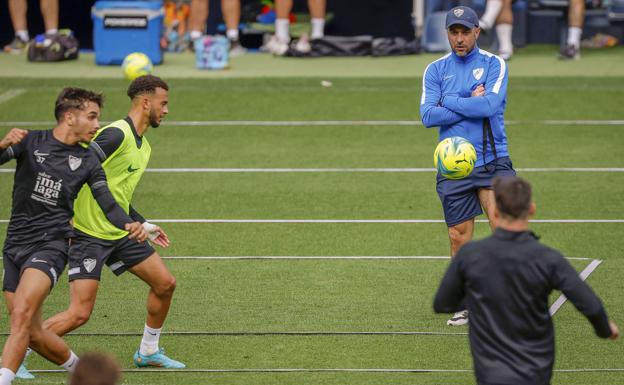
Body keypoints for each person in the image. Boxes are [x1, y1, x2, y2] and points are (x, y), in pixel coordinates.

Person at [0, 88, 146, 385]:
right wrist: (2, 143)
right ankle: (85, 373)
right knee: (33, 332)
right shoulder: (30, 142)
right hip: (14, 245)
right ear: (69, 116)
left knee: (21, 316)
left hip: (51, 246)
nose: (97, 125)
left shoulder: (89, 161)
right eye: (92, 117)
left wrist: (130, 224)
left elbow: (108, 203)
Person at [41, 75, 185, 369]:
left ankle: (148, 350)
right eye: (163, 103)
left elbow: (117, 194)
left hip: (120, 232)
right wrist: (63, 211)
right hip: (88, 234)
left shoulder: (143, 146)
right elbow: (77, 164)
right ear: (146, 103)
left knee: (164, 283)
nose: (167, 110)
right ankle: (17, 354)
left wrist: (142, 223)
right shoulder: (117, 134)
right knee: (79, 314)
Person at [433, 176, 620, 385]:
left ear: (495, 212)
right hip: (536, 373)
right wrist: (605, 329)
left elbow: (442, 303)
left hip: (490, 375)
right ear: (531, 209)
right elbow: (590, 305)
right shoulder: (548, 258)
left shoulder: (469, 255)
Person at [420, 6, 516, 326]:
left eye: (465, 32)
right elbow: (427, 116)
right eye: (453, 32)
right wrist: (468, 101)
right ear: (448, 34)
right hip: (454, 167)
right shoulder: (434, 70)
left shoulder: (493, 64)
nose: (459, 39)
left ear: (477, 32)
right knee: (459, 236)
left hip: (492, 160)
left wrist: (449, 100)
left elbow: (490, 104)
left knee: (504, 230)